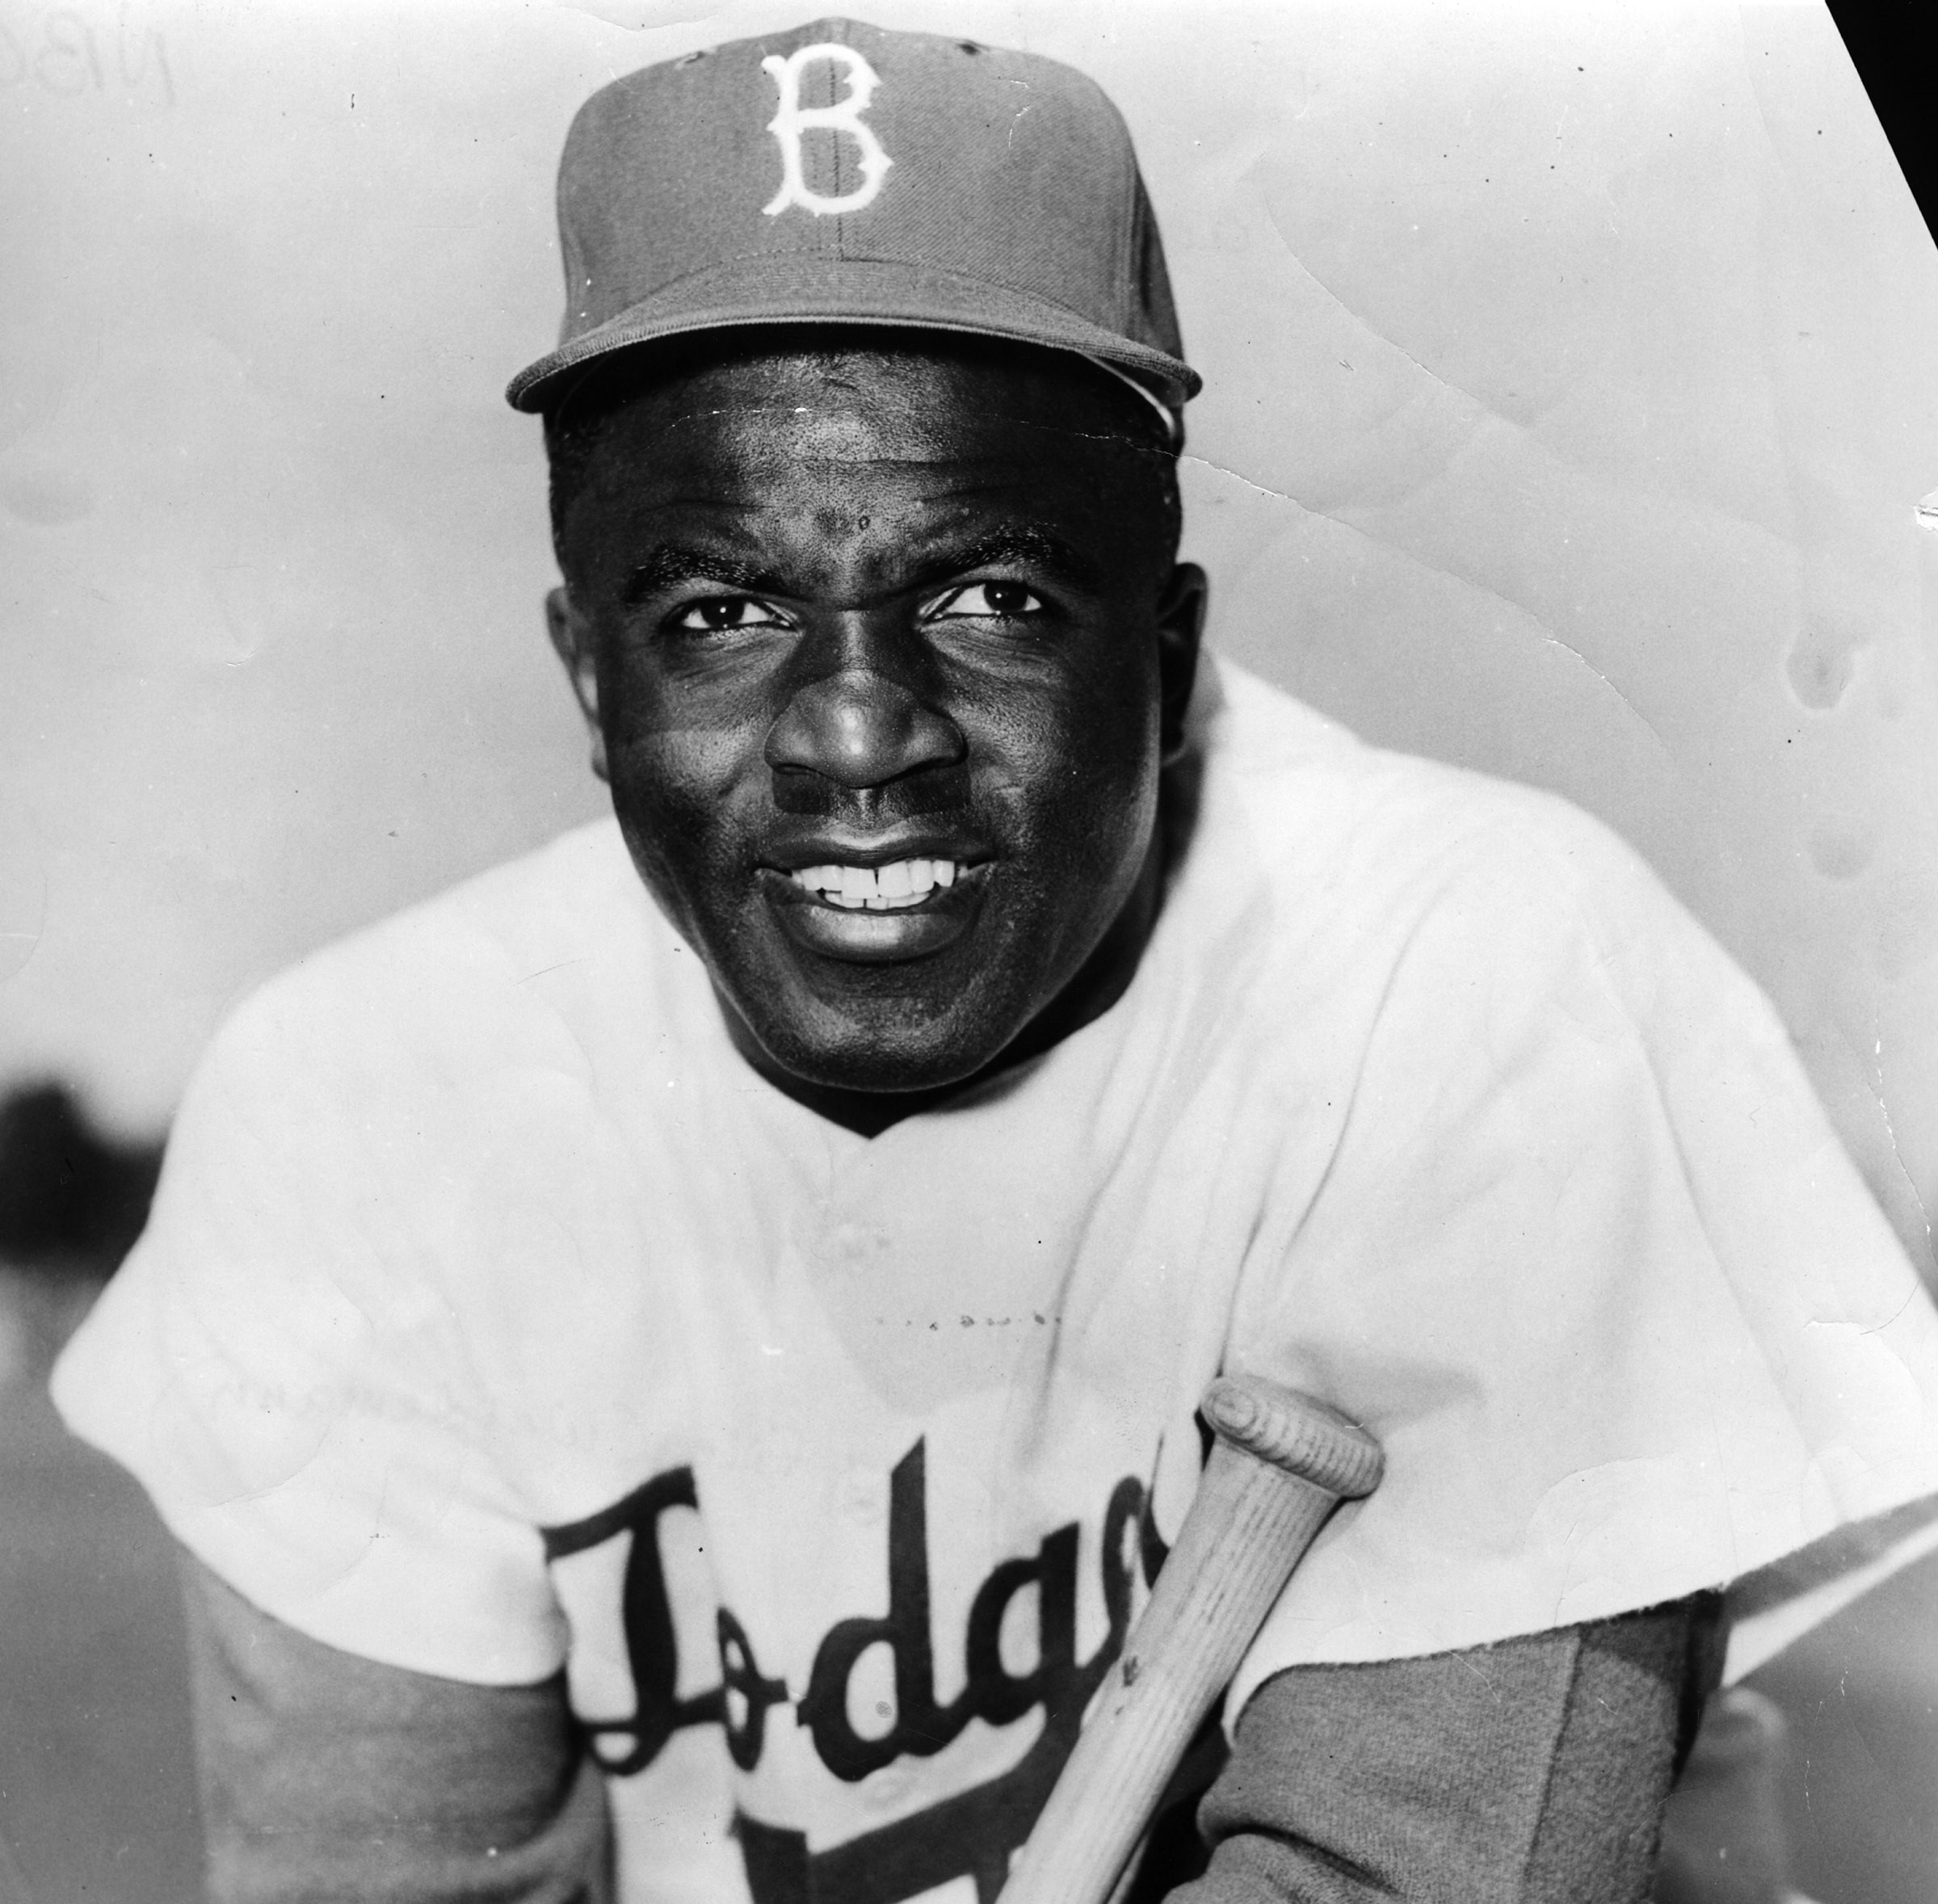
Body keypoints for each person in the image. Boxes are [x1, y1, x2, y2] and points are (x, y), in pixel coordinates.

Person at [49, 18, 1938, 1904]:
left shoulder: (1469, 979)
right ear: (588, 683)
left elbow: (1416, 1876)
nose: (860, 736)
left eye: (992, 598)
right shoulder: (365, 1111)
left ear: (1170, 656)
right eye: (719, 609)